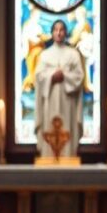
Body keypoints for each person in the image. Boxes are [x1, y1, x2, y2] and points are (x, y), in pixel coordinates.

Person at [34, 20, 85, 158]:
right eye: (55, 30)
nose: (58, 32)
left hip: (67, 102)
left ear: (65, 33)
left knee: (67, 127)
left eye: (61, 29)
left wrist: (64, 76)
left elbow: (79, 76)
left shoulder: (73, 54)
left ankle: (67, 156)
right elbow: (38, 76)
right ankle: (48, 156)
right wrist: (51, 76)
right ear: (51, 33)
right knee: (49, 127)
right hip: (49, 101)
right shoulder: (44, 55)